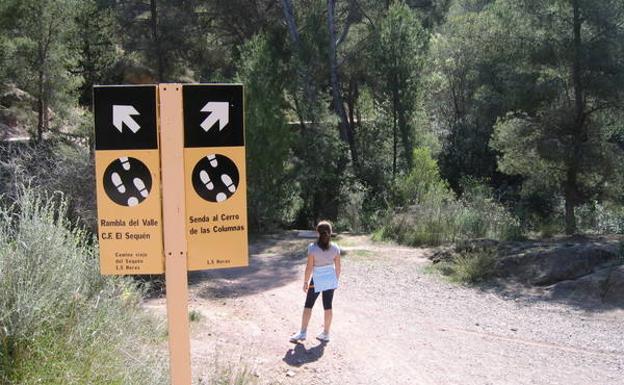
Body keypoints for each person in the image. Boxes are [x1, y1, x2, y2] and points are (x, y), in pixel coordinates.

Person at [290, 220, 341, 343]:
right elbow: (338, 268)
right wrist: (335, 281)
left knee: (308, 305)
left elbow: (309, 267)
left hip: (317, 279)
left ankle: (302, 332)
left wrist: (305, 282)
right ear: (330, 233)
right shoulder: (335, 248)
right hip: (330, 279)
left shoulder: (312, 248)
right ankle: (326, 333)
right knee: (328, 306)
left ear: (317, 233)